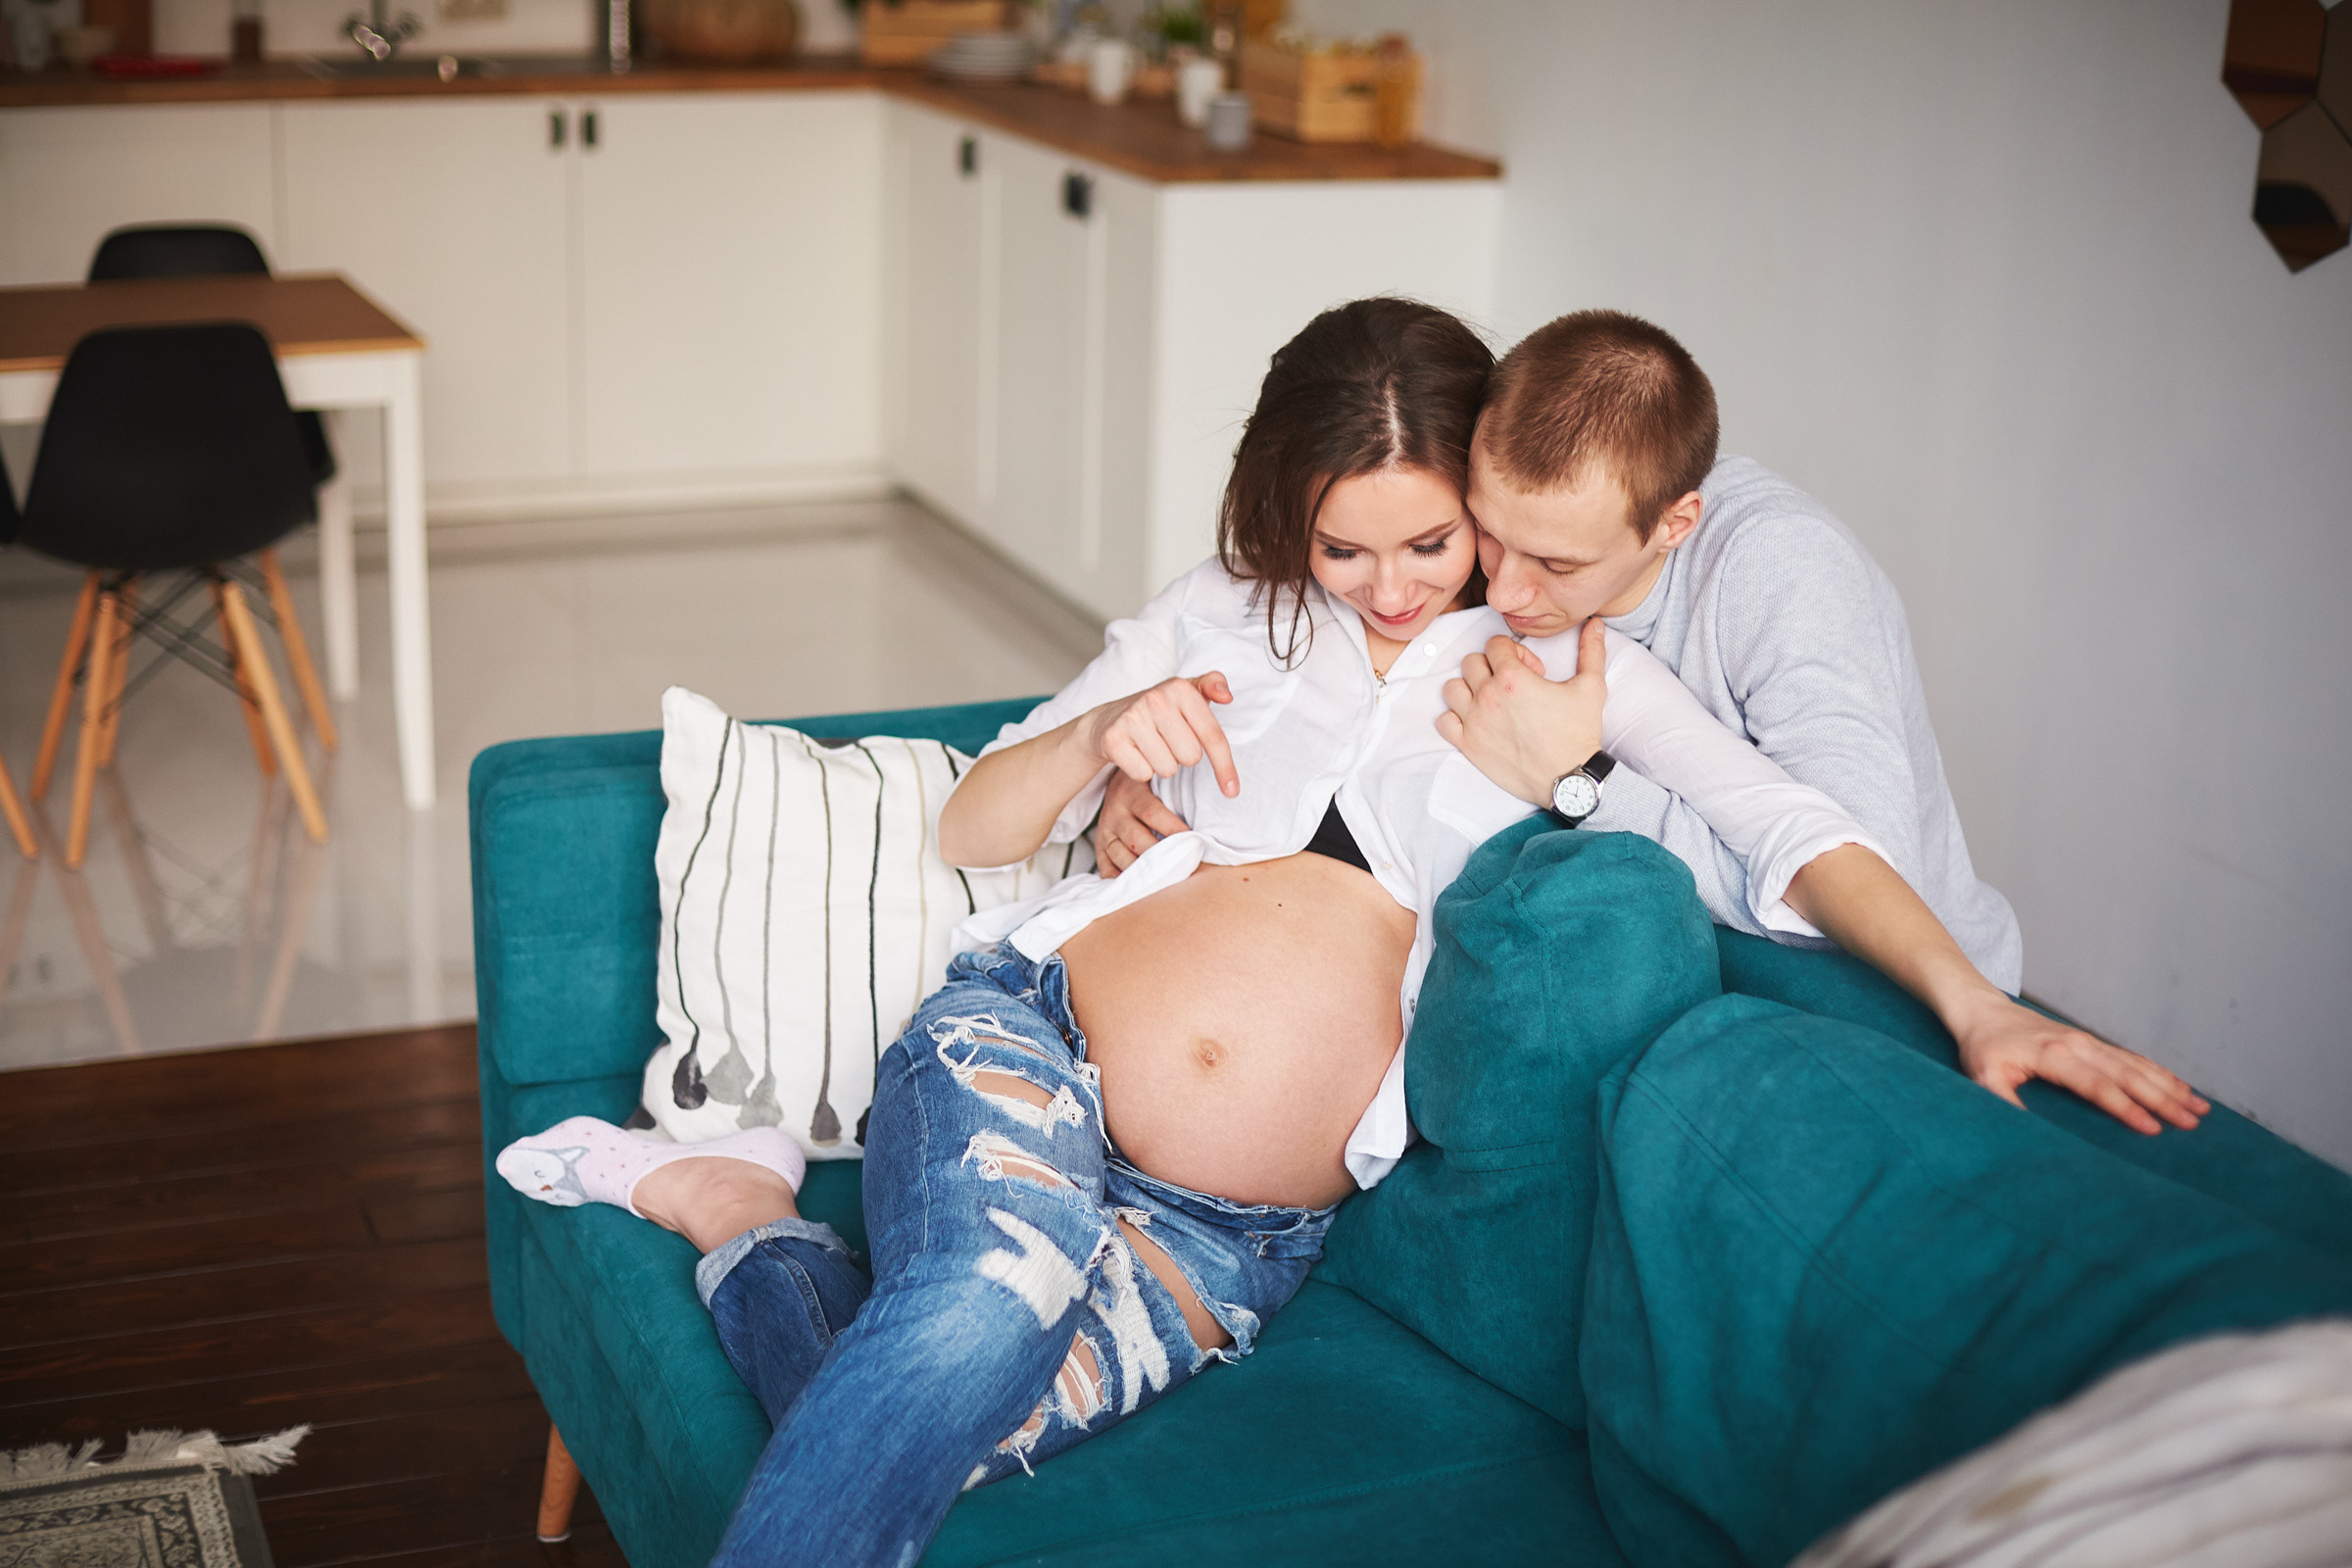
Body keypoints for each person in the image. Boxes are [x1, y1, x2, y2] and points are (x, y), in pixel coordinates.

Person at [497, 300, 2200, 1568]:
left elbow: (1800, 830)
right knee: (975, 1305)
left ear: (1484, 498)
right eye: (1344, 545)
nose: (1394, 588)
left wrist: (1981, 1008)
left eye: (1433, 542)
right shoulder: (1222, 618)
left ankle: (731, 1204)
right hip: (1034, 1040)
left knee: (957, 1414)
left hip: (1238, 1226)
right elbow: (970, 828)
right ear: (1286, 523)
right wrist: (1100, 741)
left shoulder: (1572, 683)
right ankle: (766, 1221)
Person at [1103, 307, 2199, 1138]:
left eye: (1557, 564)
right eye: (1487, 536)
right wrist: (1137, 764)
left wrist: (1580, 787)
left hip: (1862, 967)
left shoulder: (1783, 578)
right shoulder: (1514, 527)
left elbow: (1831, 861)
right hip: (1671, 934)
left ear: (1674, 523)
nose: (1508, 591)